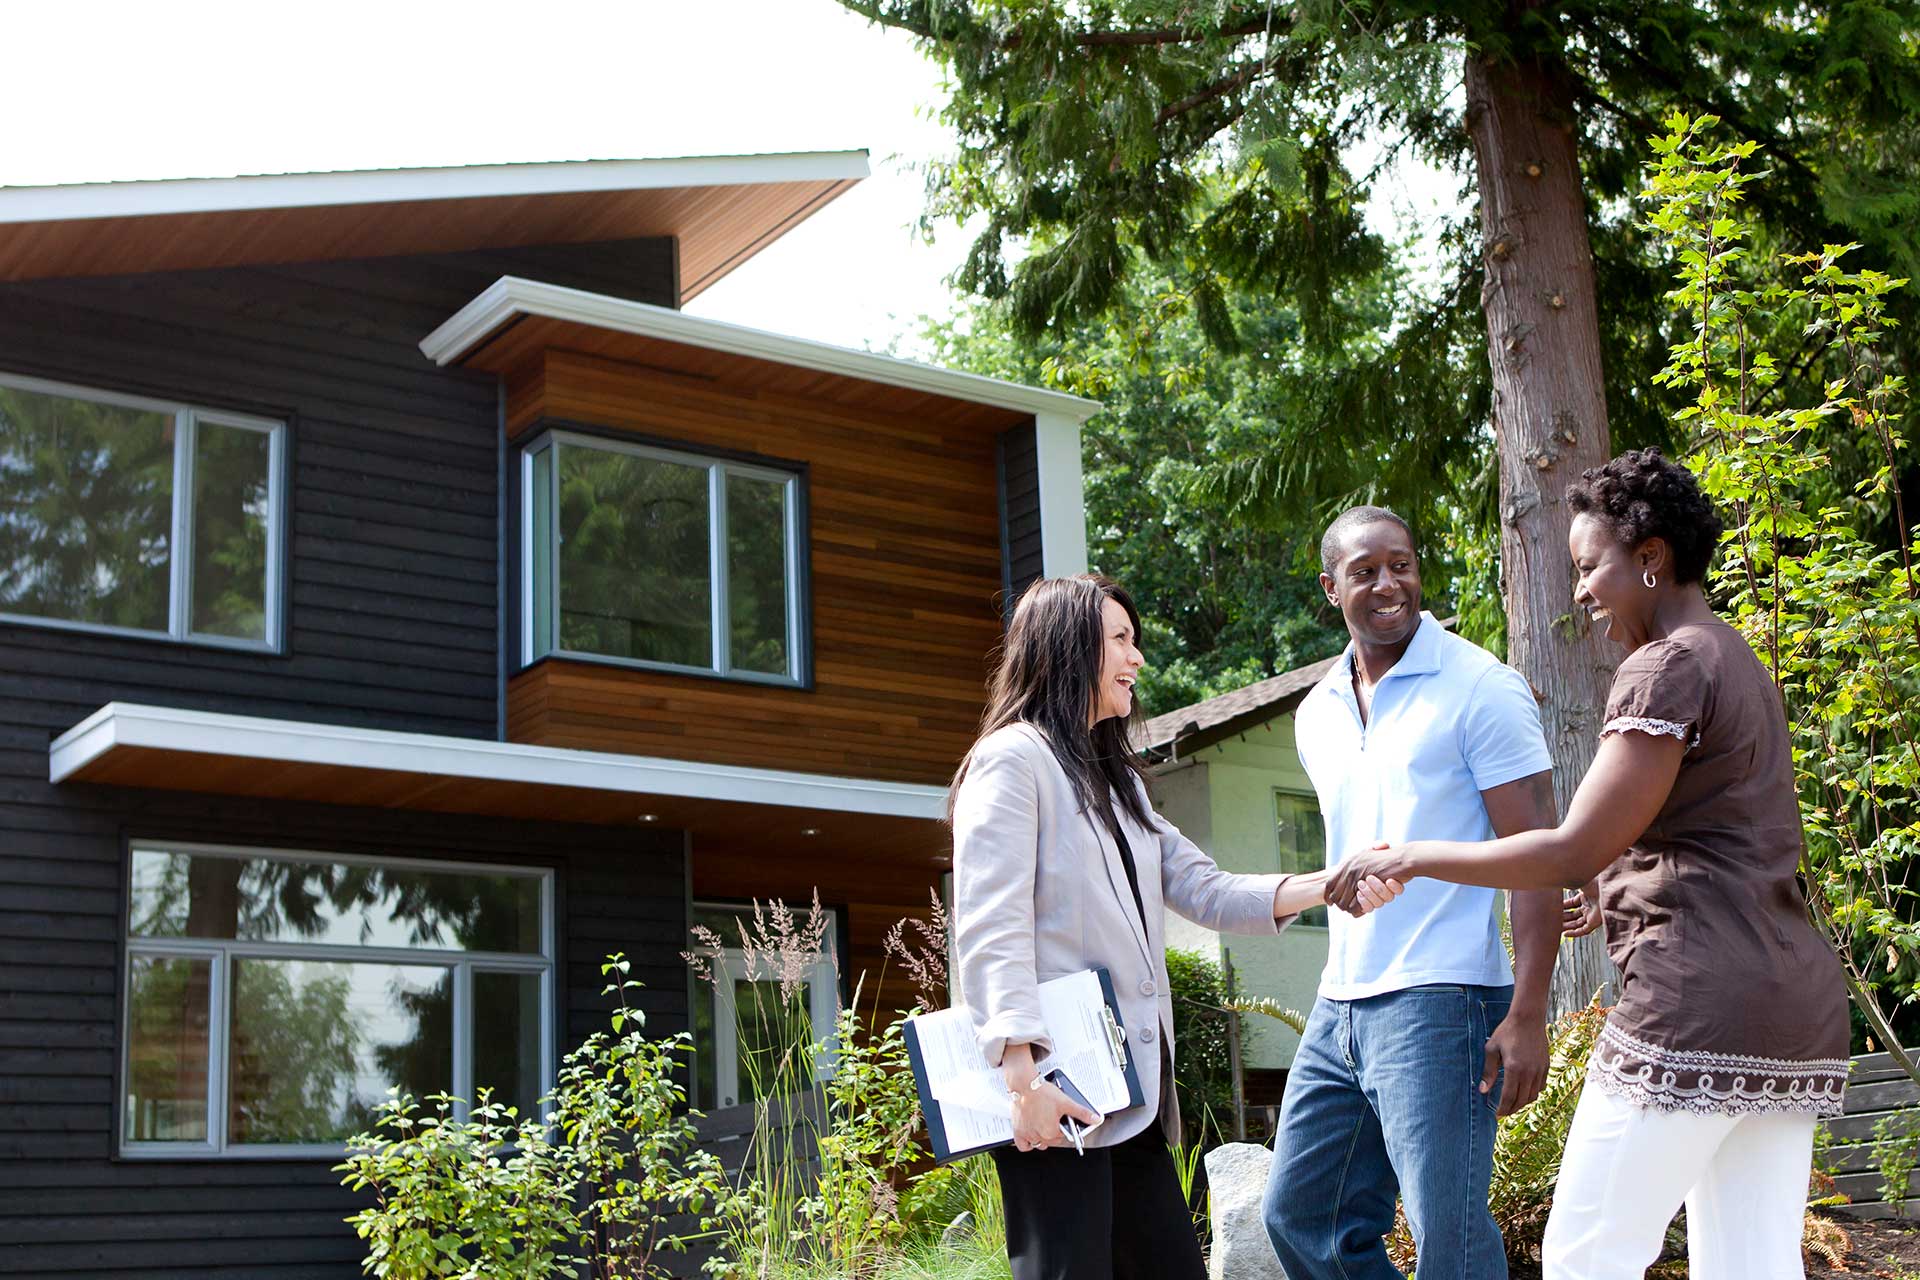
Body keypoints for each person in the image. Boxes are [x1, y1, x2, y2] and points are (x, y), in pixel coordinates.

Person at [1326, 449, 1850, 1279]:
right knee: (1752, 1265)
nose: (1578, 590)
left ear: (1651, 559)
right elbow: (1716, 828)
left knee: (1581, 1257)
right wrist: (1616, 883)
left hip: (1695, 1004)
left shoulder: (1666, 666)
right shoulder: (1736, 658)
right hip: (1790, 1012)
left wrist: (1416, 855)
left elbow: (1572, 847)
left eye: (1589, 565)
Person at [950, 573, 1400, 1280]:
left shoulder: (1114, 780)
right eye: (1122, 640)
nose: (1137, 659)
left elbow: (1204, 887)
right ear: (1070, 647)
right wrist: (1021, 1080)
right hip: (1054, 1093)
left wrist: (1331, 883)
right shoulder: (1013, 762)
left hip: (1127, 1094)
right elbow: (990, 924)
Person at [1263, 505, 1569, 1280]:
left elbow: (1537, 856)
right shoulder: (1315, 713)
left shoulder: (1480, 688)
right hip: (1342, 999)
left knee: (1450, 1238)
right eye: (1365, 571)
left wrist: (1528, 1012)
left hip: (1446, 996)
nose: (1388, 583)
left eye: (1400, 564)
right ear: (1331, 588)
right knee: (1303, 1216)